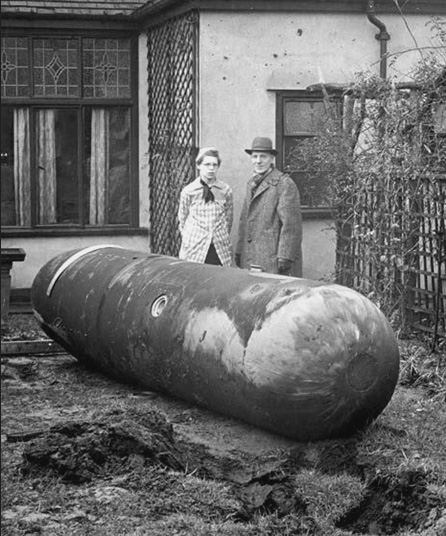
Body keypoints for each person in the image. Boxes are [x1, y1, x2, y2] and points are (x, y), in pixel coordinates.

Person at [235, 137, 302, 276]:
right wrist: (239, 250)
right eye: (254, 156)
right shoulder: (251, 184)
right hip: (251, 257)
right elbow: (244, 220)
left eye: (263, 156)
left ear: (272, 158)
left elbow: (291, 224)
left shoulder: (283, 184)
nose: (258, 161)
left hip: (273, 259)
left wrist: (285, 256)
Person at [178, 147, 233, 266]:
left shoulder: (225, 190)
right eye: (207, 164)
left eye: (214, 165)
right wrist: (192, 238)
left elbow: (228, 219)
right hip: (195, 248)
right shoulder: (189, 191)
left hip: (218, 248)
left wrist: (218, 235)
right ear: (199, 165)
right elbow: (183, 219)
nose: (211, 169)